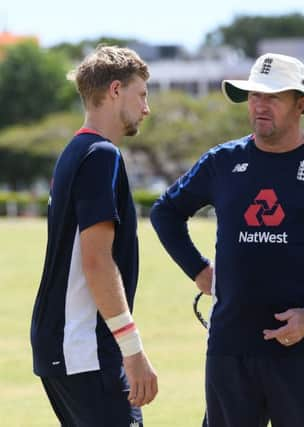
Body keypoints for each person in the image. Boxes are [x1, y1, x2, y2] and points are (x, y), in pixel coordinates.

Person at [151, 52, 304, 427]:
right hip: (229, 347)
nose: (259, 105)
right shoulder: (222, 162)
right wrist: (198, 270)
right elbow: (165, 212)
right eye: (254, 95)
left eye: (272, 96)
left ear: (300, 104)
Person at [30, 45, 158, 426]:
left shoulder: (75, 150)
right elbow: (96, 260)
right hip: (83, 346)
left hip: (64, 345)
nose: (146, 108)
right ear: (115, 90)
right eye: (142, 95)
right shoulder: (102, 154)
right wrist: (132, 350)